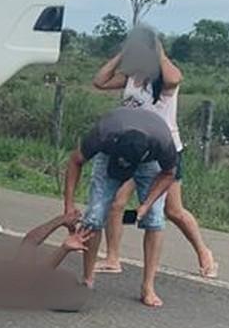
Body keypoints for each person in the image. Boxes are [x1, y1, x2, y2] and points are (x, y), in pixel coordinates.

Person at [92, 28, 217, 278]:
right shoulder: (131, 77)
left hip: (163, 152)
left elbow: (174, 79)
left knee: (173, 211)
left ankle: (204, 252)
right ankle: (112, 258)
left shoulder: (163, 77)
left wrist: (157, 49)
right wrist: (122, 54)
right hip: (133, 149)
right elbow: (100, 81)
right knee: (116, 202)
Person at [63, 105, 178, 307]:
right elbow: (75, 160)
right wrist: (69, 206)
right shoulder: (104, 134)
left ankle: (148, 287)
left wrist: (146, 204)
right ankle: (87, 279)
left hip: (149, 162)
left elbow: (169, 174)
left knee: (155, 219)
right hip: (110, 154)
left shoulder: (162, 142)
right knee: (94, 215)